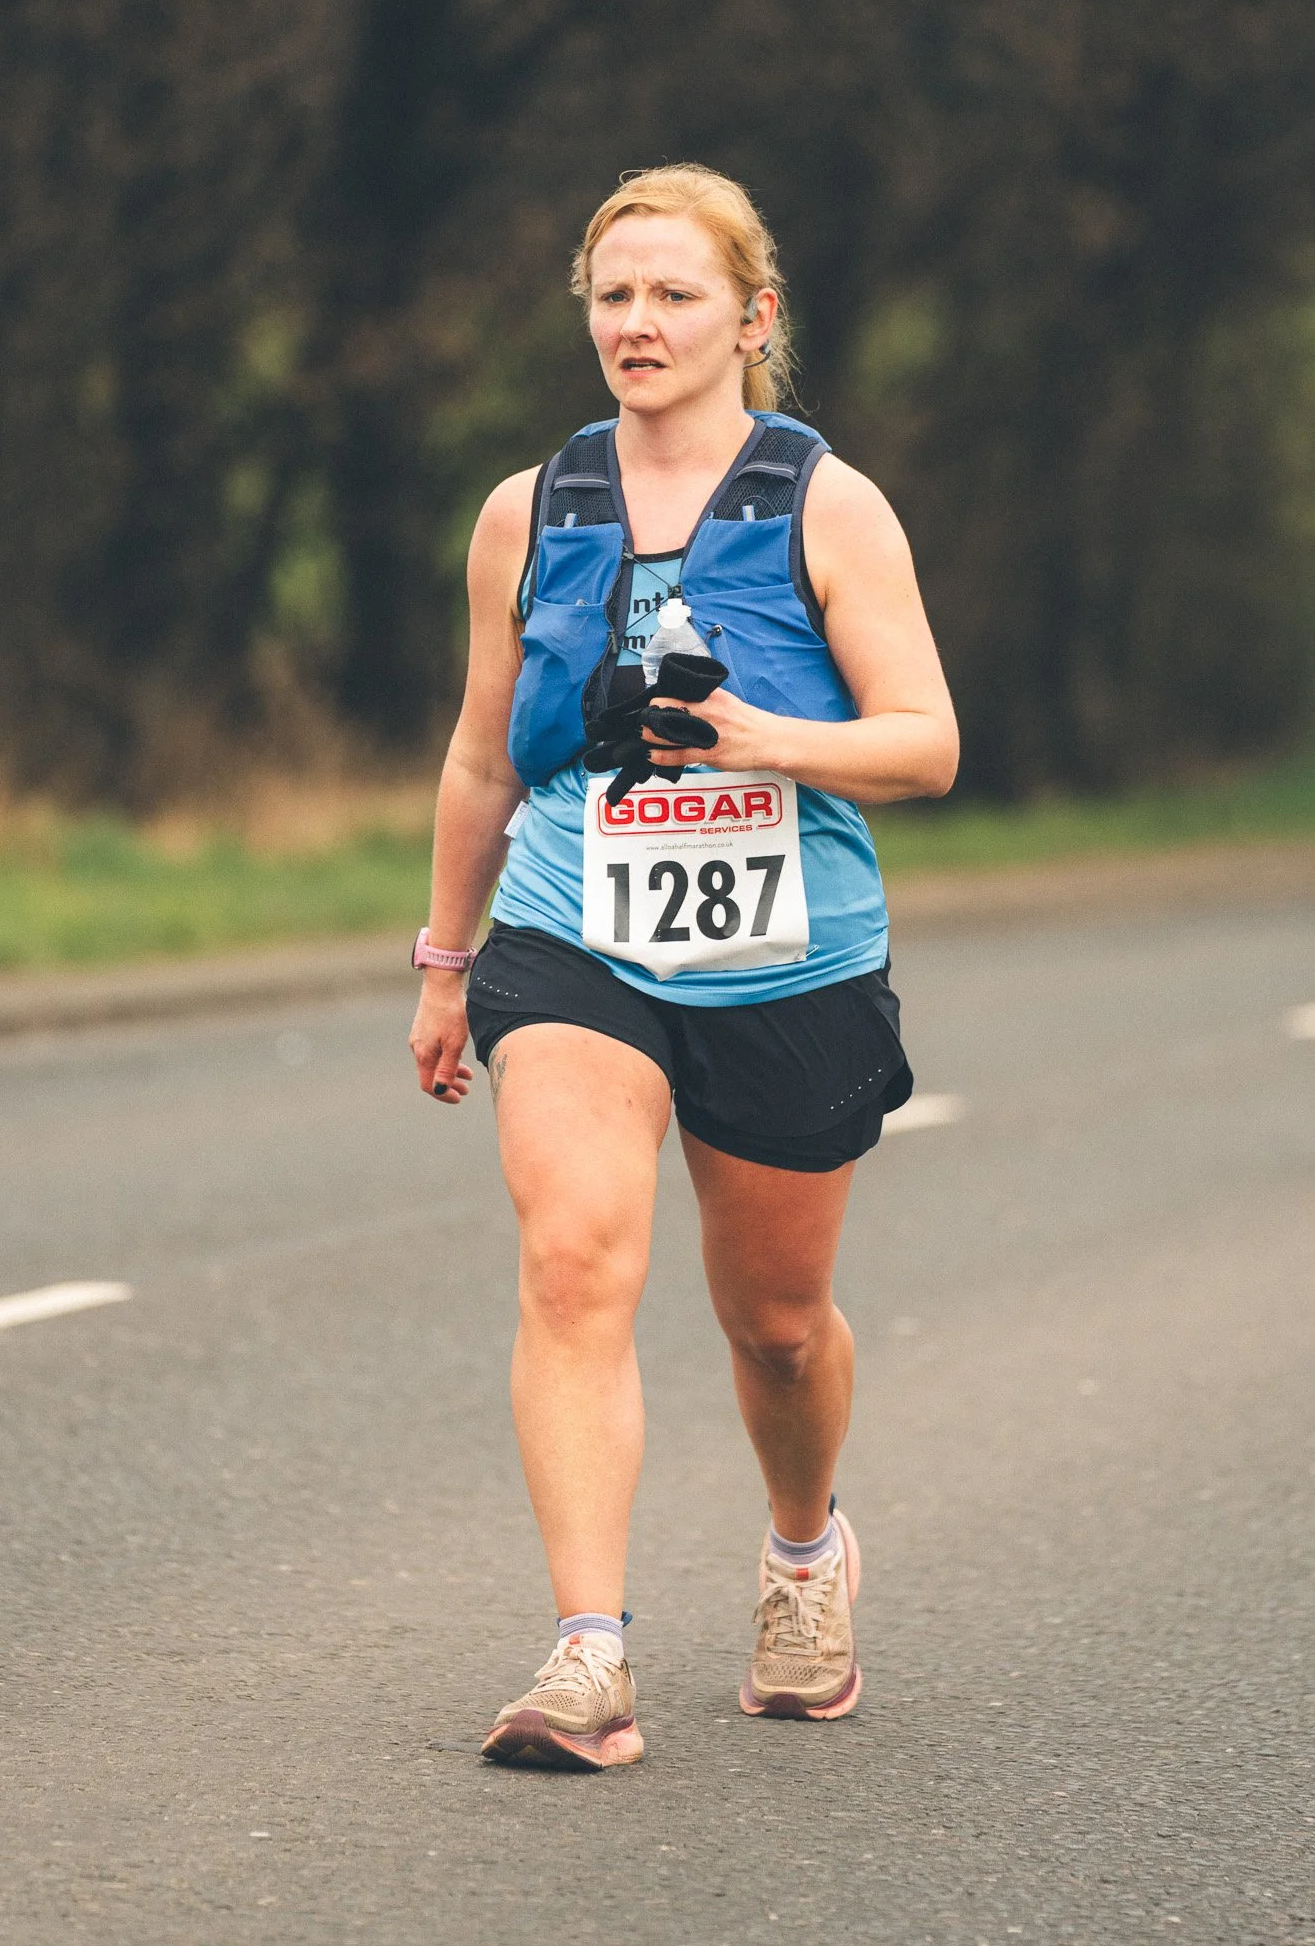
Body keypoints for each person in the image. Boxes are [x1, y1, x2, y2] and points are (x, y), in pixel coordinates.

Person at [409, 164, 959, 1771]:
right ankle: (588, 1653)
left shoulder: (828, 506)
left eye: (674, 295)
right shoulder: (527, 511)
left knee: (775, 1321)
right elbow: (479, 757)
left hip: (787, 957)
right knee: (576, 1261)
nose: (636, 324)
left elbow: (926, 743)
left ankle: (804, 1553)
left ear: (751, 317)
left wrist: (762, 737)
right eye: (613, 296)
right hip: (574, 933)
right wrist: (446, 962)